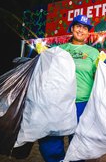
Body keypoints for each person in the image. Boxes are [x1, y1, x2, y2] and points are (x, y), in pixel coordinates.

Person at [38, 15, 100, 162]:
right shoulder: (59, 49)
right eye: (78, 26)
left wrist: (103, 69)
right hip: (59, 102)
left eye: (85, 28)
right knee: (51, 139)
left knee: (78, 143)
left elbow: (99, 78)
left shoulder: (93, 53)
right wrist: (43, 55)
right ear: (72, 28)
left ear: (88, 32)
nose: (81, 30)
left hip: (82, 103)